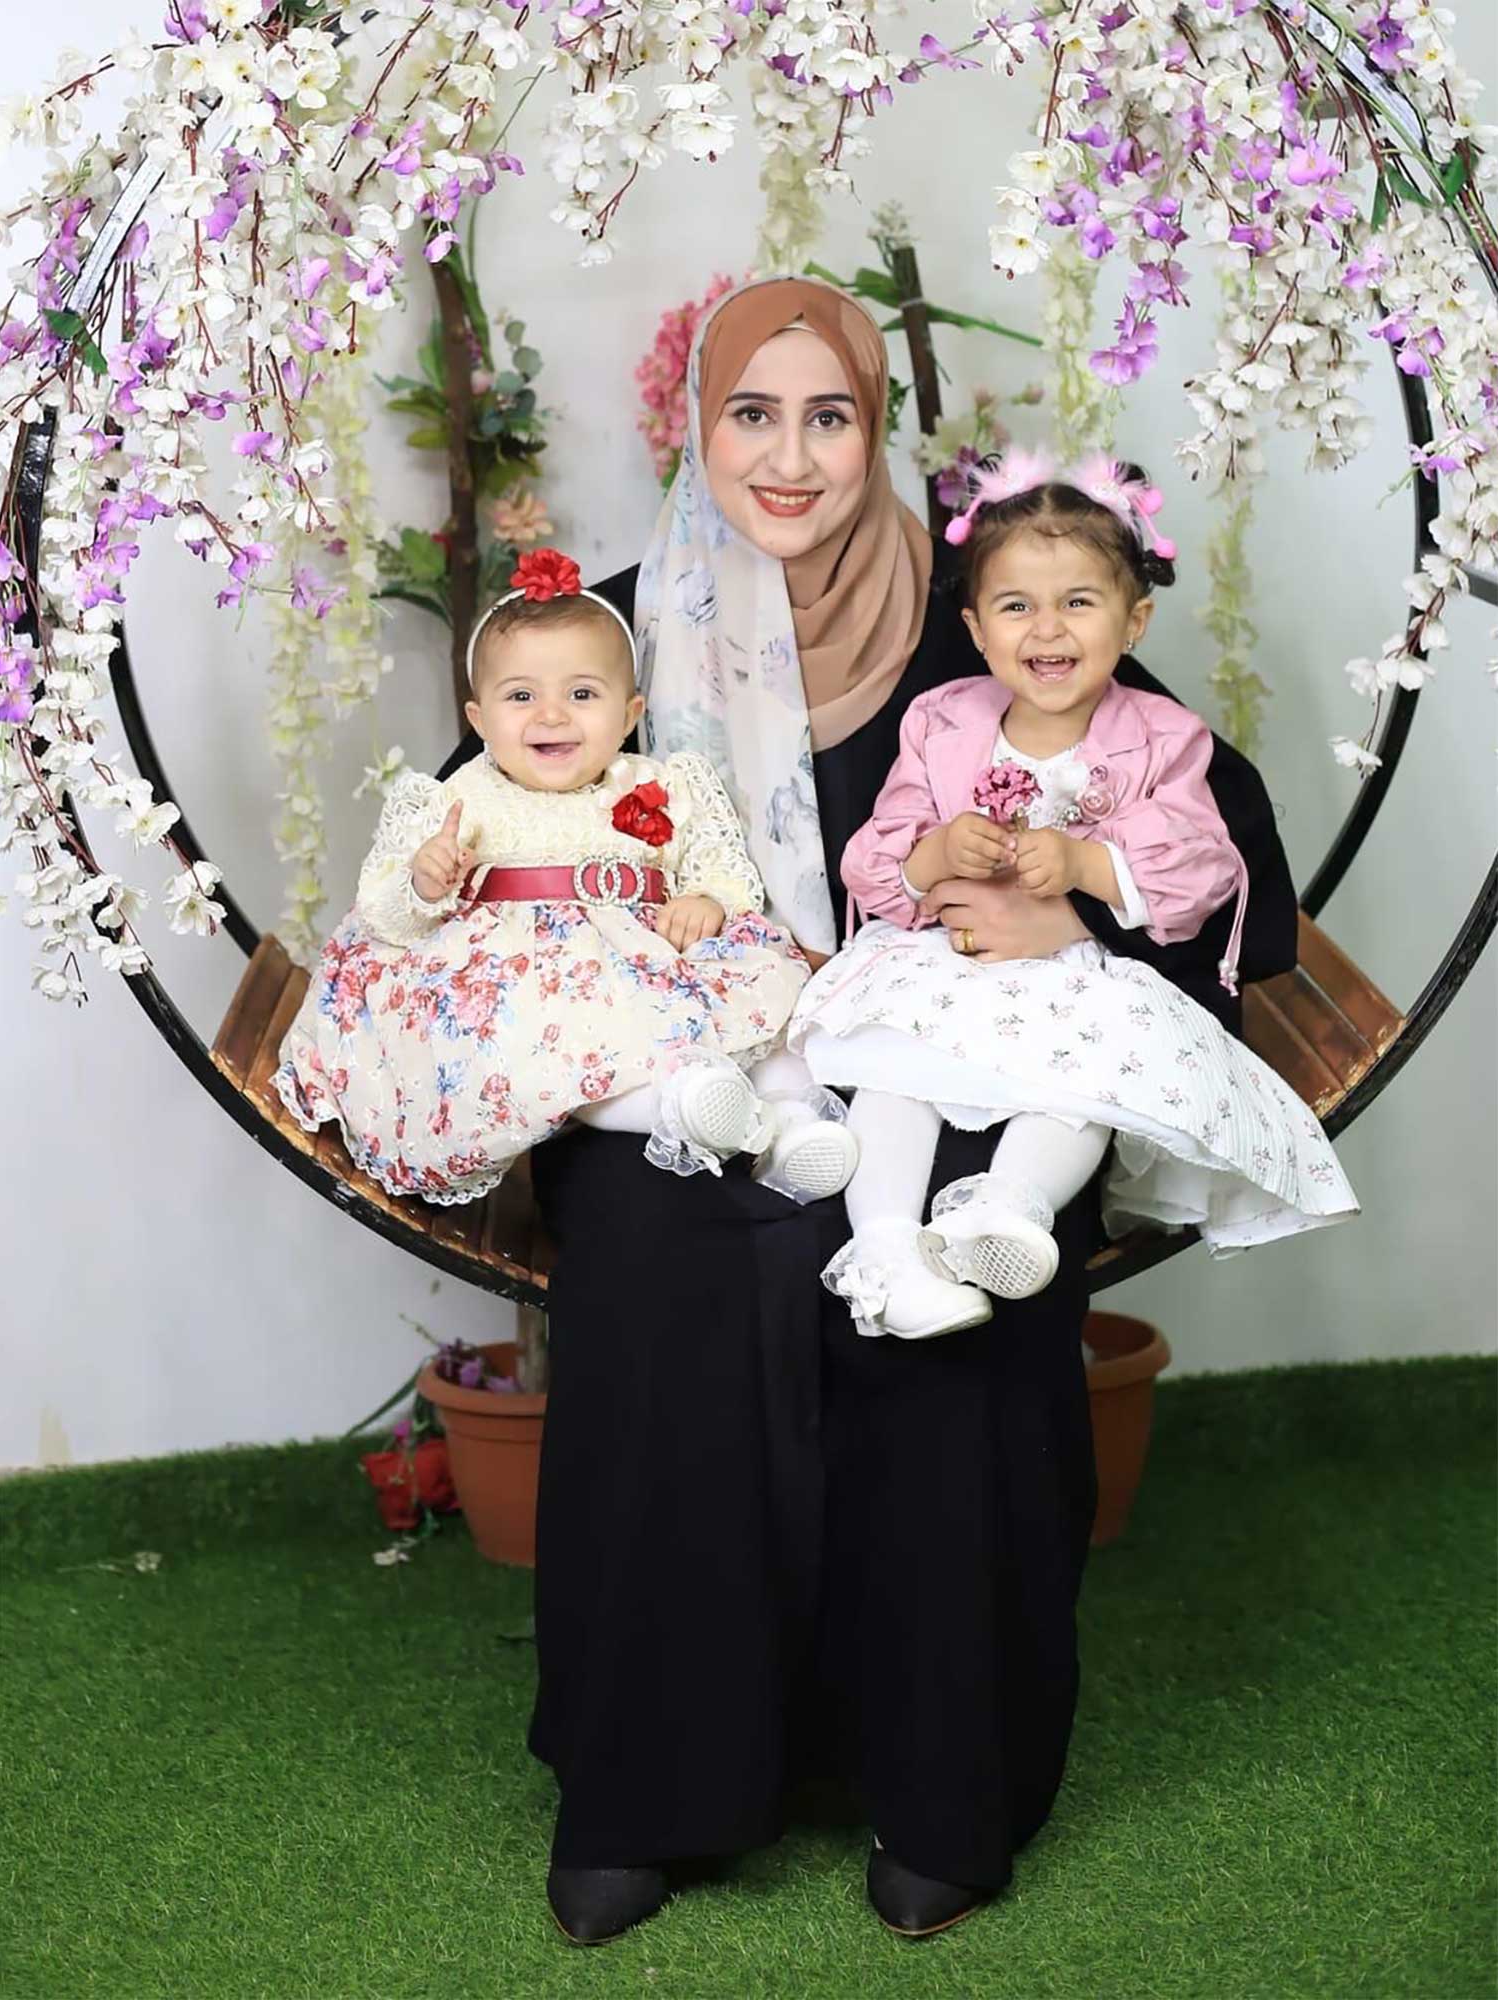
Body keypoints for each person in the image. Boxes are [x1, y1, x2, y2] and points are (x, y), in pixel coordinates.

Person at [440, 278, 1300, 1945]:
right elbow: (481, 850)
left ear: (877, 433)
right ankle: (647, 1779)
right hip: (691, 1070)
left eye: (828, 416)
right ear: (694, 430)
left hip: (960, 1043)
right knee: (677, 1255)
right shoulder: (604, 643)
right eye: (751, 415)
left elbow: (1204, 829)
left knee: (959, 1268)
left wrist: (1074, 909)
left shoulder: (983, 625)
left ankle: (942, 1780)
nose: (791, 456)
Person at [790, 449, 1357, 1339]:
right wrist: (936, 853)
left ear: (1134, 621)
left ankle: (1007, 1209)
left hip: (1075, 976)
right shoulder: (941, 721)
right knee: (893, 1078)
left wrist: (1088, 867)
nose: (1046, 630)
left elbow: (1202, 864)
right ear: (977, 629)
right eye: (1016, 606)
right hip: (946, 965)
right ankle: (888, 1254)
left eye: (1079, 603)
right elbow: (876, 860)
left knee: (1082, 1083)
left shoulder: (1162, 736)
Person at [274, 545, 857, 1208]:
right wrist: (426, 881)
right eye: (521, 696)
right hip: (533, 984)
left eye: (582, 694)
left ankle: (793, 1121)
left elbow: (719, 863)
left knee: (760, 1009)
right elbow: (387, 915)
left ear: (630, 715)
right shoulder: (462, 799)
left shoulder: (662, 783)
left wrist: (708, 900)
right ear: (479, 719)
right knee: (566, 1064)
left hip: (651, 962)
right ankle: (684, 1105)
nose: (551, 715)